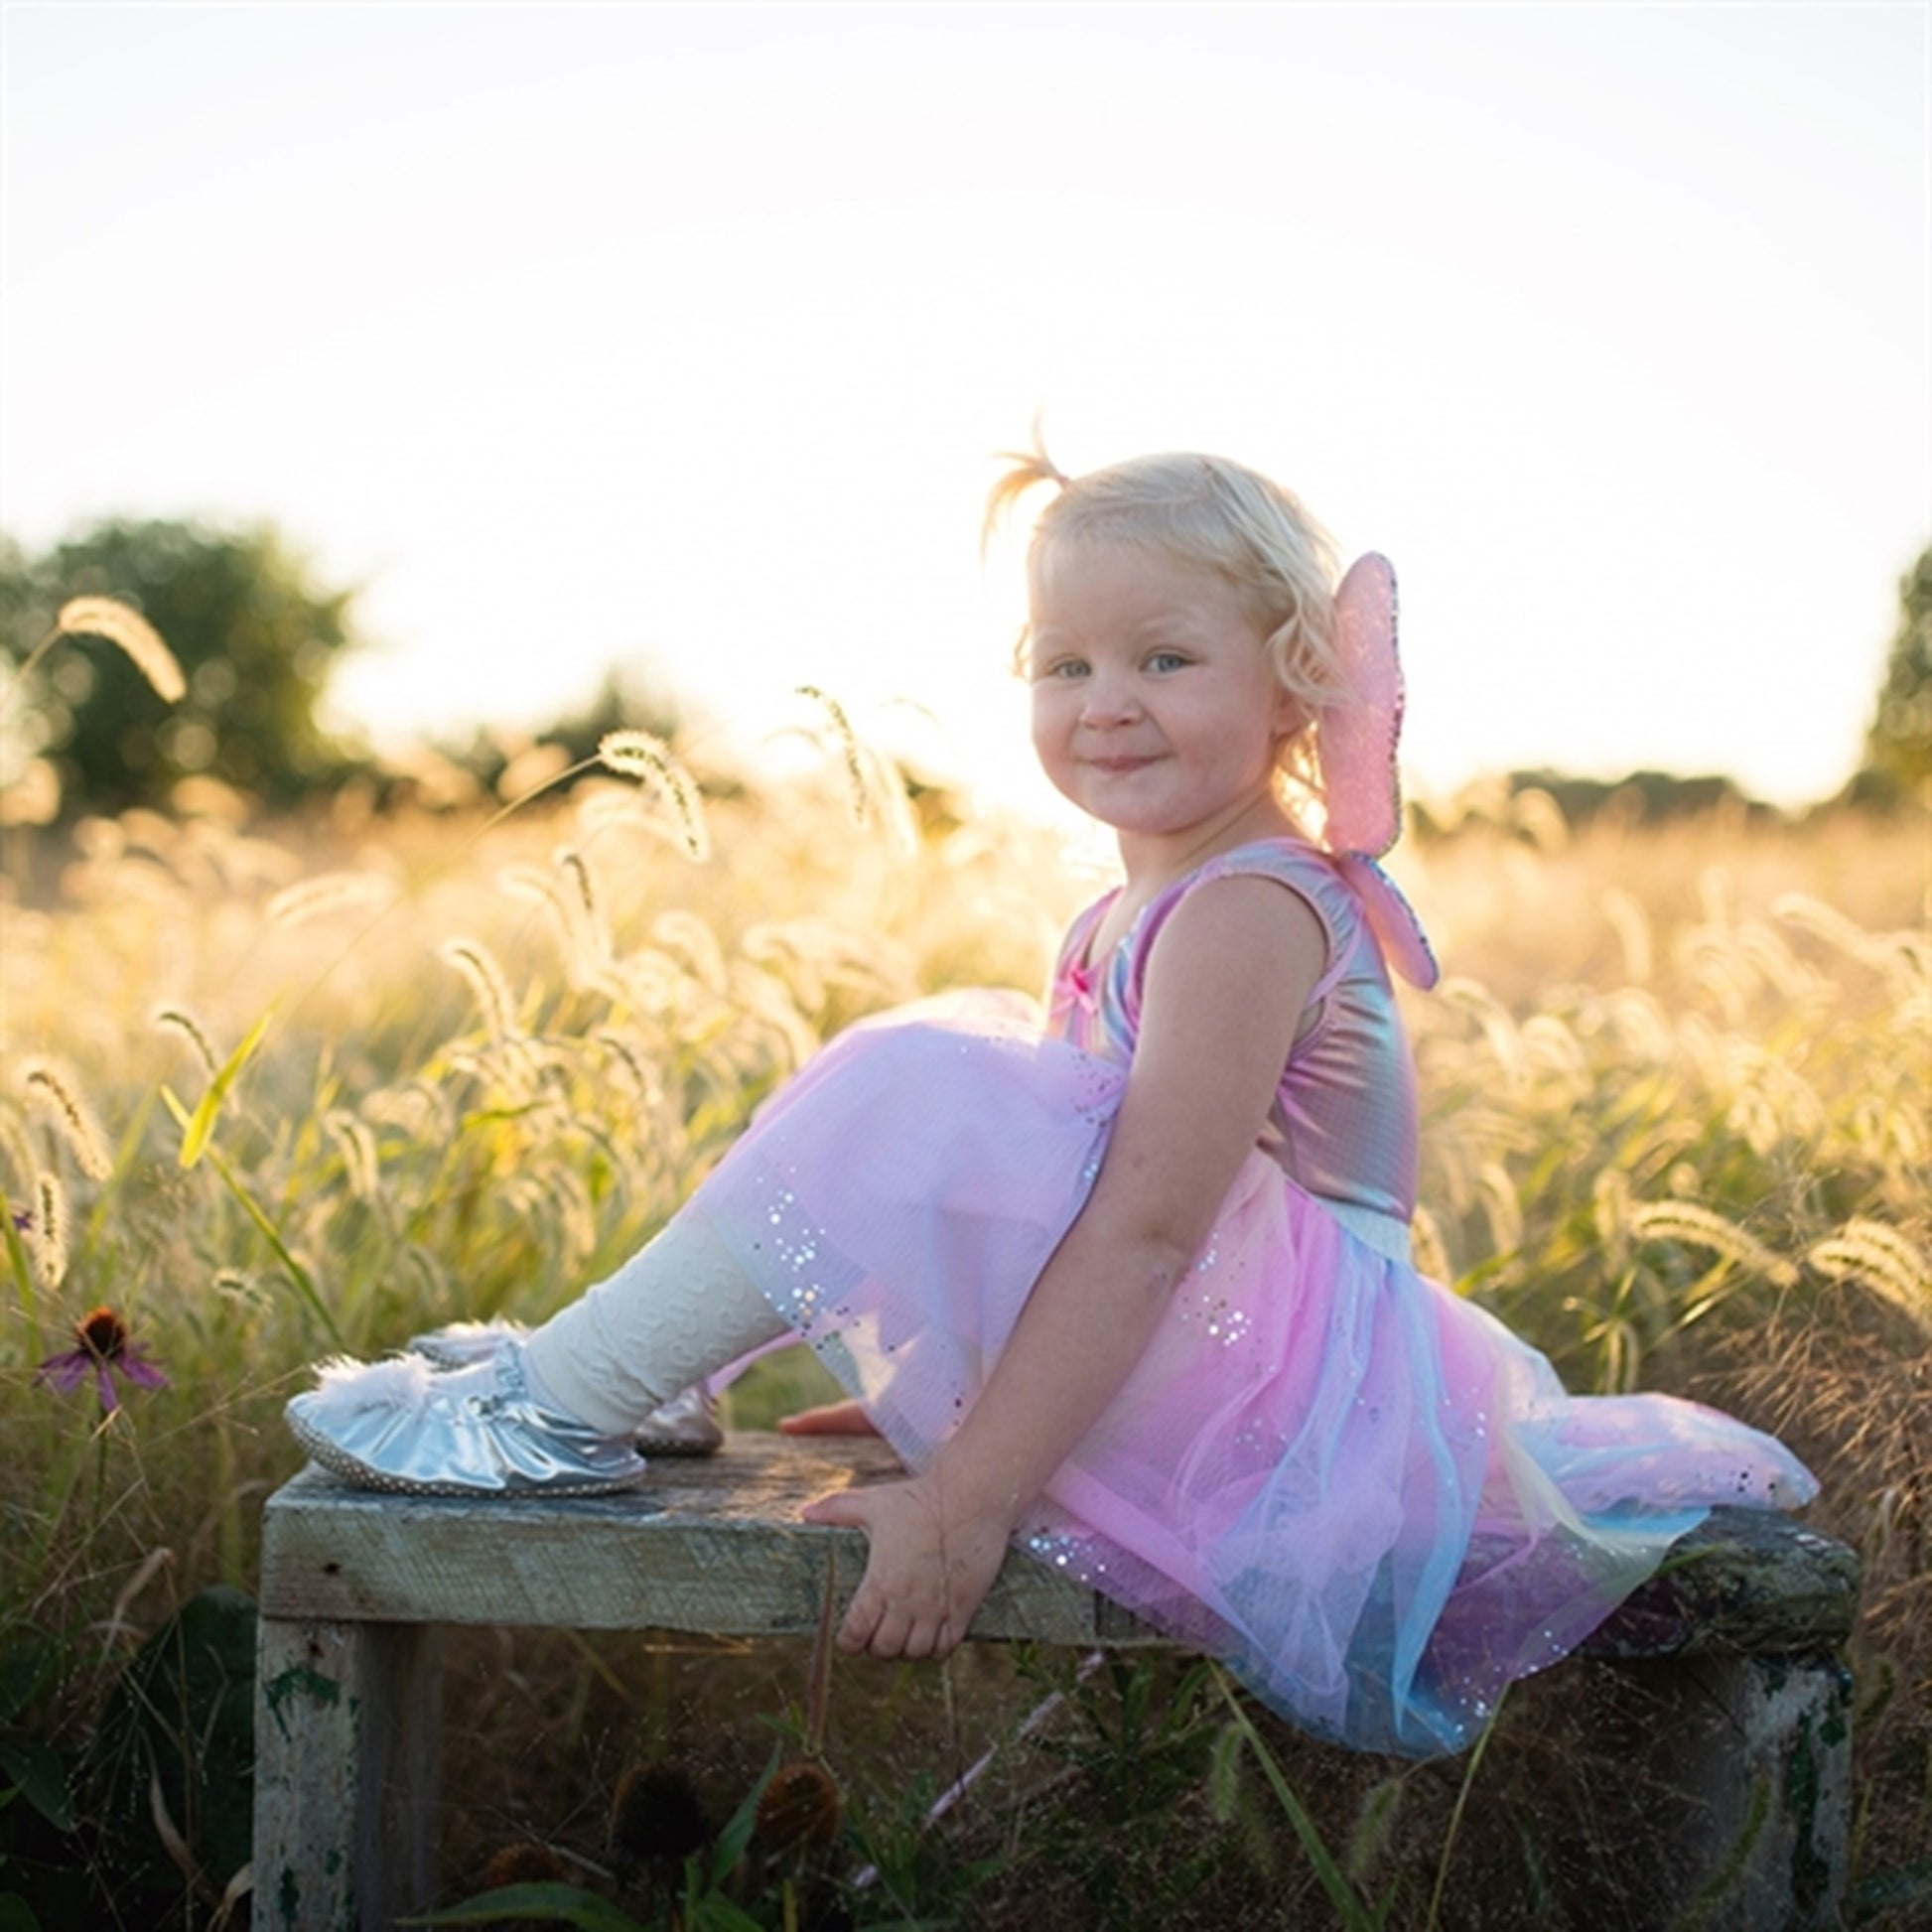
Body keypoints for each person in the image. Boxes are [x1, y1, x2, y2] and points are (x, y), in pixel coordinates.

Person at [288, 447, 1815, 1756]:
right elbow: (1060, 1187)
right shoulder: (1126, 908)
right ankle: (623, 1368)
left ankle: (561, 1406)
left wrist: (965, 1496)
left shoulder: (1247, 908)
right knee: (928, 1060)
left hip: (1282, 1391)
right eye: (1061, 661)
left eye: (1163, 657)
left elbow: (1151, 1227)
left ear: (1294, 679)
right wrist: (928, 1356)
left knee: (919, 1073)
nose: (1104, 701)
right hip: (1222, 1349)